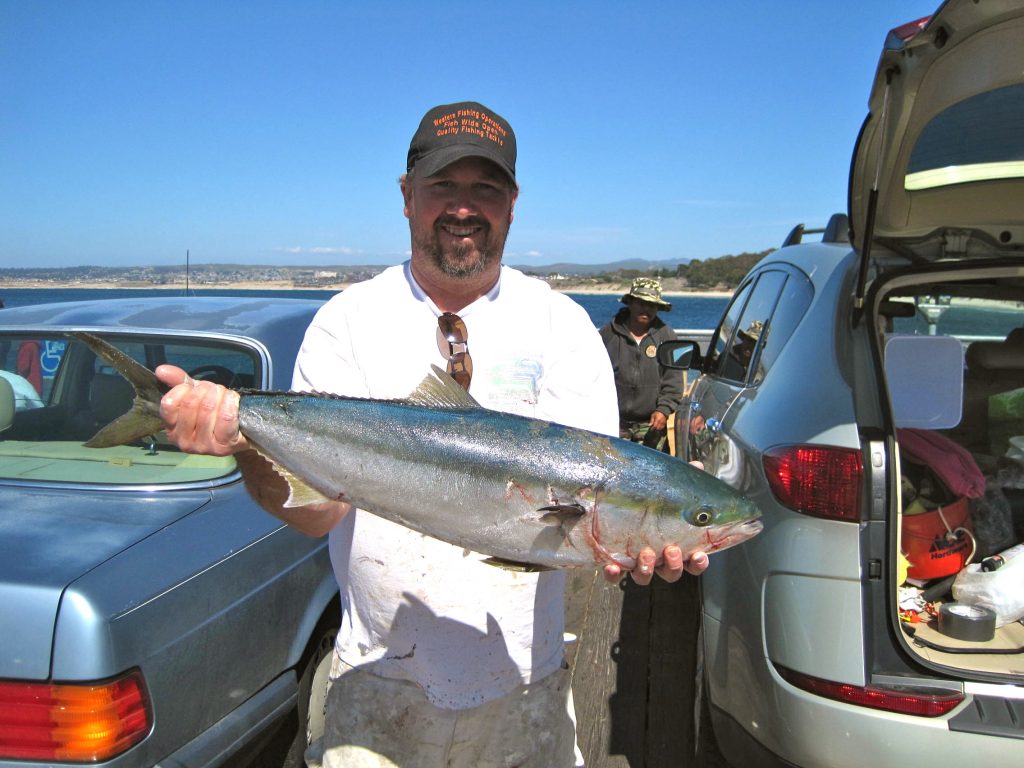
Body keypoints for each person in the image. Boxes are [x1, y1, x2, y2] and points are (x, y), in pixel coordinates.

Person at [153, 101, 709, 768]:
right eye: (443, 185)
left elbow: (586, 505)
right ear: (407, 196)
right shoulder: (347, 321)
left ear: (512, 204)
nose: (463, 207)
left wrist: (635, 543)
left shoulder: (562, 326)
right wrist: (246, 444)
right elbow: (316, 514)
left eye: (486, 189)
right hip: (376, 678)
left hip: (524, 683)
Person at [599, 277, 682, 450]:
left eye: (651, 305)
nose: (646, 309)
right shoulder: (608, 334)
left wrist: (664, 409)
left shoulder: (667, 336)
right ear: (630, 303)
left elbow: (673, 379)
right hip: (613, 423)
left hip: (651, 426)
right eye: (641, 303)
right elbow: (593, 375)